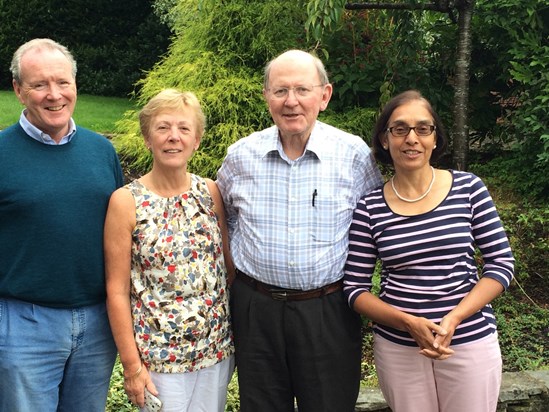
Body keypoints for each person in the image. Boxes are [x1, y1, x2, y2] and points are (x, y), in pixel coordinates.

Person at [216, 49, 383, 412]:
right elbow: (223, 220)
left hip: (328, 311)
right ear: (266, 96)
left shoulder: (353, 155)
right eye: (280, 91)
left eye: (302, 90)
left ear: (324, 96)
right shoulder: (241, 156)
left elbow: (375, 226)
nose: (291, 102)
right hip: (255, 310)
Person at [343, 90, 515, 412]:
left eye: (423, 128)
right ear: (384, 139)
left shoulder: (468, 189)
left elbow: (501, 264)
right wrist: (408, 322)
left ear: (435, 139)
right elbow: (354, 289)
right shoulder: (369, 207)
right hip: (398, 348)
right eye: (400, 129)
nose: (412, 138)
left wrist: (455, 318)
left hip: (469, 340)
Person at [0, 38, 124, 411]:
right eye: (39, 85)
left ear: (75, 85)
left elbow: (122, 232)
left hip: (98, 323)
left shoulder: (101, 151)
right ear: (19, 91)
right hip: (24, 323)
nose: (54, 95)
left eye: (62, 82)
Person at [104, 88, 235, 411]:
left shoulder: (210, 192)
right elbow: (117, 291)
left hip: (214, 352)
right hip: (160, 360)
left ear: (197, 140)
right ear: (148, 139)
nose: (173, 137)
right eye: (163, 128)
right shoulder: (126, 202)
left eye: (183, 128)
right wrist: (132, 366)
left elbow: (226, 269)